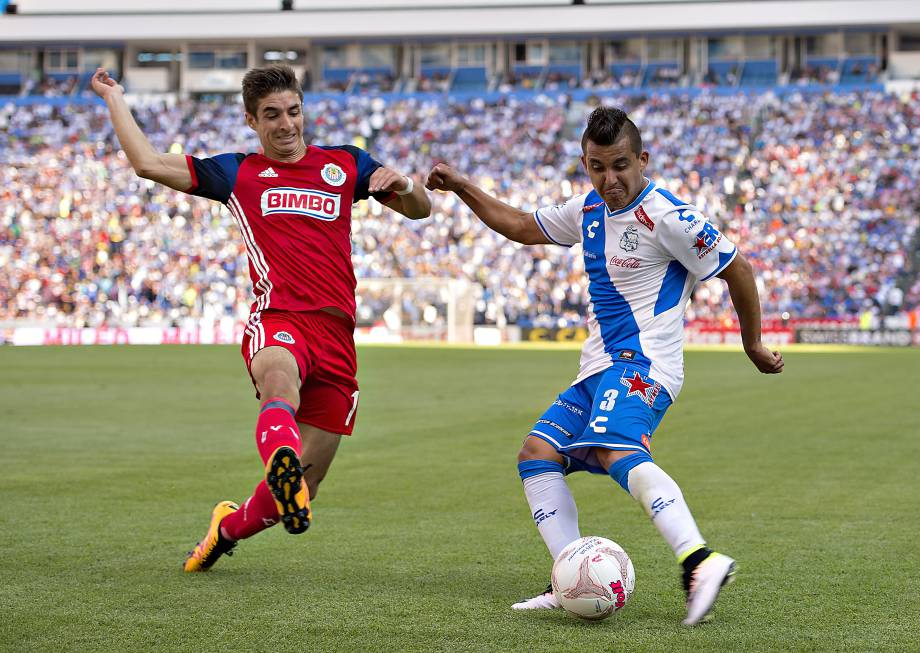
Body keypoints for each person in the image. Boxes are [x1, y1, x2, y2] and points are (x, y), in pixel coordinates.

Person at [425, 106, 783, 626]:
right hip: (596, 369)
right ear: (585, 164)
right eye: (598, 167)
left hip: (646, 364)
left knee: (614, 449)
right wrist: (461, 186)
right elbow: (523, 227)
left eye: (620, 165)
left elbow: (739, 269)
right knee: (536, 454)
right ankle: (567, 574)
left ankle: (699, 561)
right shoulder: (588, 210)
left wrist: (752, 344)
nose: (610, 179)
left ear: (642, 159)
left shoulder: (669, 217)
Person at [90, 64, 431, 572]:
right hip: (279, 317)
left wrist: (403, 182)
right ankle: (279, 460)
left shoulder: (345, 165)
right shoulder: (237, 173)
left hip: (337, 334)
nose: (286, 124)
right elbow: (146, 163)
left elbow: (419, 209)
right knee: (279, 381)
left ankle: (225, 529)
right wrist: (114, 97)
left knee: (306, 487)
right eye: (272, 115)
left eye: (293, 111)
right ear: (252, 121)